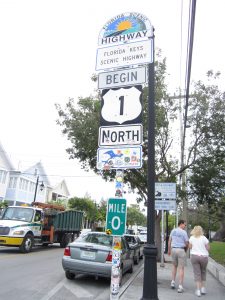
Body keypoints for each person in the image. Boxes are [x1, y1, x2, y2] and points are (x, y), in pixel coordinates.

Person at [168, 219, 189, 293]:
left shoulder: (173, 231)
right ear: (181, 224)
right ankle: (180, 286)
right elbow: (187, 243)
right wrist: (185, 250)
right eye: (185, 225)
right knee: (181, 268)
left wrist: (169, 250)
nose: (185, 226)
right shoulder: (184, 232)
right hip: (181, 250)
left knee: (174, 266)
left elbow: (169, 240)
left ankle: (173, 282)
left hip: (173, 249)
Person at [189, 225, 210, 297]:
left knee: (197, 273)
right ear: (201, 231)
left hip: (194, 257)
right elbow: (208, 248)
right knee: (203, 272)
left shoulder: (191, 238)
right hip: (204, 257)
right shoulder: (204, 238)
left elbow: (190, 247)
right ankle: (203, 288)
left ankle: (198, 290)